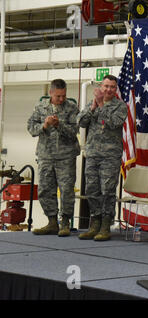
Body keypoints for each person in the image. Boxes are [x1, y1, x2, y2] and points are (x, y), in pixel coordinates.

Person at [77, 74, 127, 241]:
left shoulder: (120, 106)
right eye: (106, 86)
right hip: (92, 154)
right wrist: (93, 107)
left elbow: (113, 123)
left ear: (116, 89)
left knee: (107, 191)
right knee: (92, 190)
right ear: (101, 86)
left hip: (110, 156)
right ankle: (95, 223)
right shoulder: (91, 104)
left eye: (112, 87)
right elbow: (81, 122)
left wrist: (100, 106)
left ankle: (106, 225)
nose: (109, 89)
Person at [27, 79, 80, 237]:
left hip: (66, 156)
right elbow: (30, 127)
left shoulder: (71, 108)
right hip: (46, 156)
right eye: (58, 96)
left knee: (66, 191)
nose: (61, 99)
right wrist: (44, 125)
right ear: (50, 93)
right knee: (45, 189)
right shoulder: (40, 107)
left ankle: (65, 223)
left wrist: (58, 125)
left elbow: (73, 132)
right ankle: (51, 222)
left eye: (64, 95)